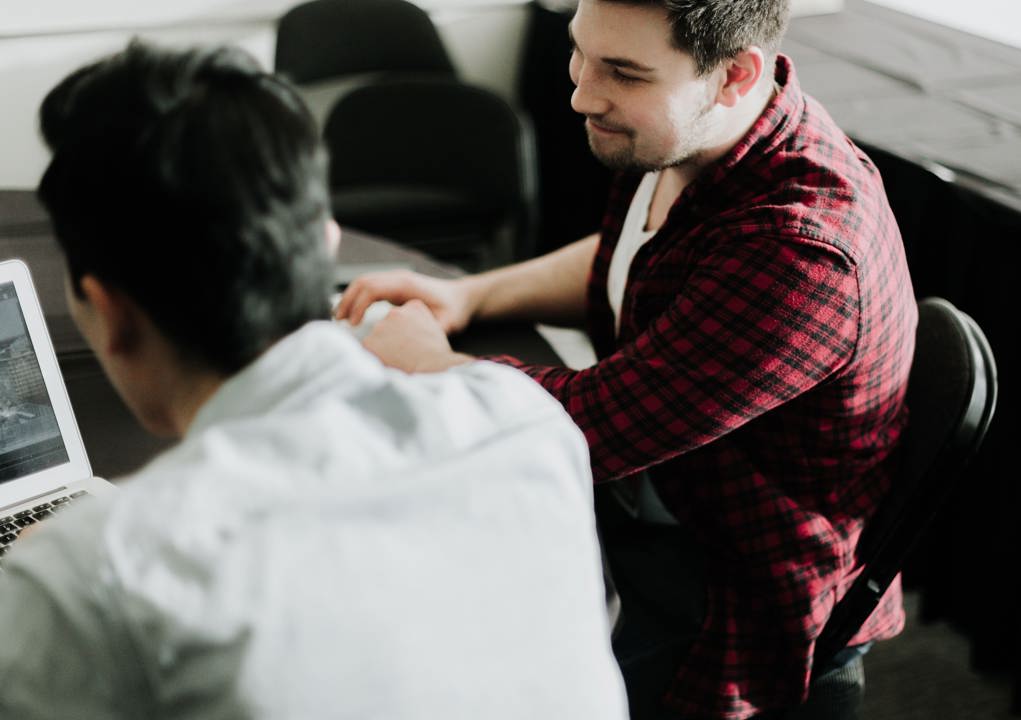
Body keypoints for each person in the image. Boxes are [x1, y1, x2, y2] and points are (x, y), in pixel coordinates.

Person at [0, 41, 627, 719]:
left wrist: (56, 575)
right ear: (326, 245)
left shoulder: (98, 574)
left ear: (112, 313)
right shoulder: (525, 424)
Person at [336, 0, 917, 717]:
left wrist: (427, 360)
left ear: (735, 75)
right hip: (665, 507)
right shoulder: (700, 132)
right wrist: (472, 298)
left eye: (623, 72)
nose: (581, 92)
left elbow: (588, 431)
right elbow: (631, 258)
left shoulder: (803, 254)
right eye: (581, 52)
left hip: (731, 604)